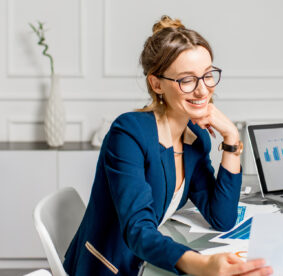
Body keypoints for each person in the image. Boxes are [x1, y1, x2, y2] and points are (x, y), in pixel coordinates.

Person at [63, 16, 272, 276]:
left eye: (207, 75)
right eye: (187, 80)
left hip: (149, 263)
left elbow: (222, 217)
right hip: (110, 268)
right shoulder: (128, 134)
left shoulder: (195, 137)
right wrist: (204, 265)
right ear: (157, 83)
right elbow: (138, 229)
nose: (202, 91)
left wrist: (231, 138)